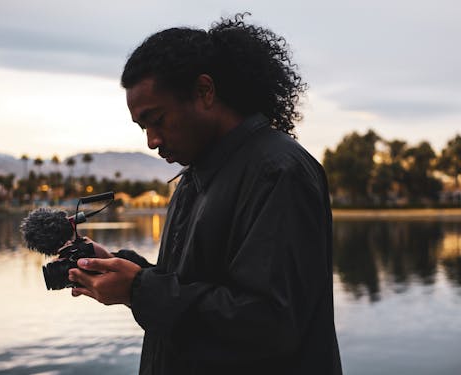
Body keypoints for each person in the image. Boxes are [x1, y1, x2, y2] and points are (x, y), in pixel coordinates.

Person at [68, 13, 342, 375]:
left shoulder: (279, 172)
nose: (152, 141)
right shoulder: (194, 177)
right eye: (143, 127)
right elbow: (192, 287)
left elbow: (268, 324)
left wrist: (139, 290)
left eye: (158, 120)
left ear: (204, 92)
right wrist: (124, 268)